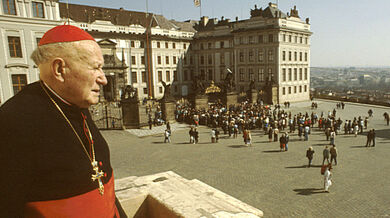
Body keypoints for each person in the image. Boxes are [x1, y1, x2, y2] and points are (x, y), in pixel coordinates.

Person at [0, 25, 126, 217]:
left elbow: (105, 189)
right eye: (95, 68)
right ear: (59, 69)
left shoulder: (77, 105)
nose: (104, 79)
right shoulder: (12, 122)